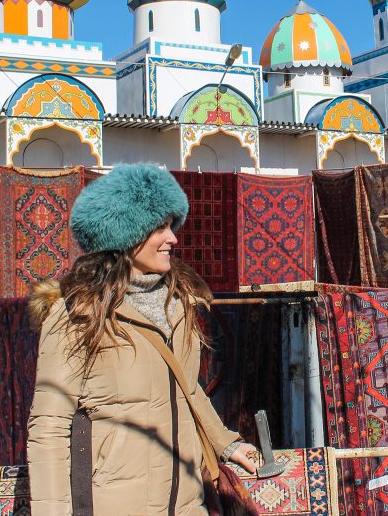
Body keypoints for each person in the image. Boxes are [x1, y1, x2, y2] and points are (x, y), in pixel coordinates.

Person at [27, 163, 258, 515]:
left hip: (186, 503)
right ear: (123, 234)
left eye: (171, 225)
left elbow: (187, 389)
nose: (173, 238)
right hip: (117, 505)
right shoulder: (78, 314)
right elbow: (49, 427)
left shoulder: (179, 302)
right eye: (159, 228)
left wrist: (225, 444)